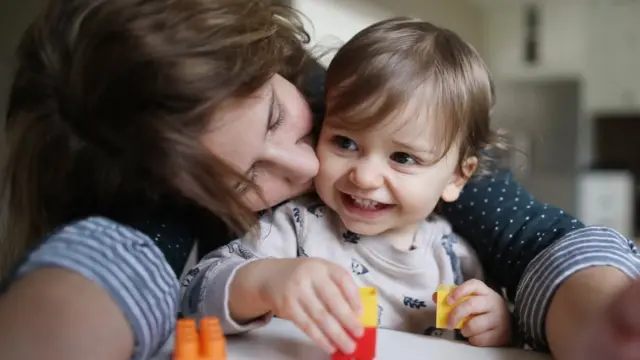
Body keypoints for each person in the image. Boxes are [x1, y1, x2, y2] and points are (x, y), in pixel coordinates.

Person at [0, 0, 636, 360]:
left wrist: (564, 320)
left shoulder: (363, 100)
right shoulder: (280, 231)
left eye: (281, 116)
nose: (314, 170)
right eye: (244, 177)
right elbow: (142, 265)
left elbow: (529, 241)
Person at [181, 18, 513, 355]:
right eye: (346, 142)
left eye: (403, 157)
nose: (364, 177)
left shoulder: (454, 258)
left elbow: (487, 340)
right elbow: (193, 295)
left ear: (457, 177)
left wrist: (496, 322)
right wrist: (265, 282)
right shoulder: (295, 228)